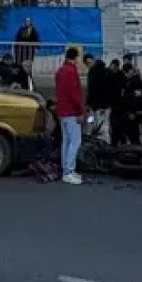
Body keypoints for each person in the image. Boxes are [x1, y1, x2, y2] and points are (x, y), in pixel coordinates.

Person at [54, 47, 85, 185]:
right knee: (75, 141)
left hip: (62, 110)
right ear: (76, 57)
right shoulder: (72, 72)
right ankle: (69, 171)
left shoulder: (60, 71)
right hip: (71, 111)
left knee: (66, 141)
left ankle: (66, 170)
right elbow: (74, 93)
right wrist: (80, 111)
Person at [83, 54, 113, 143]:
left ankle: (103, 144)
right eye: (87, 63)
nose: (89, 65)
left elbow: (103, 89)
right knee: (93, 123)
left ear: (93, 60)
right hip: (95, 106)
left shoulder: (103, 72)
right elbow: (91, 89)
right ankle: (99, 142)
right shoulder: (92, 73)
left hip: (102, 106)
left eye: (90, 62)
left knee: (101, 125)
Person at [119, 62, 142, 146]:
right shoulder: (127, 81)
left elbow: (137, 98)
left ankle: (136, 146)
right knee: (130, 131)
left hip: (133, 111)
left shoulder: (136, 81)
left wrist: (133, 111)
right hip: (128, 110)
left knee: (134, 131)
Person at [106, 59, 127, 144]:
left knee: (119, 123)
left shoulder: (121, 75)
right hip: (111, 103)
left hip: (119, 103)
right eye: (112, 67)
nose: (113, 69)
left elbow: (123, 89)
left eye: (115, 67)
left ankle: (120, 140)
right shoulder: (108, 74)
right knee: (113, 123)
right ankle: (115, 141)